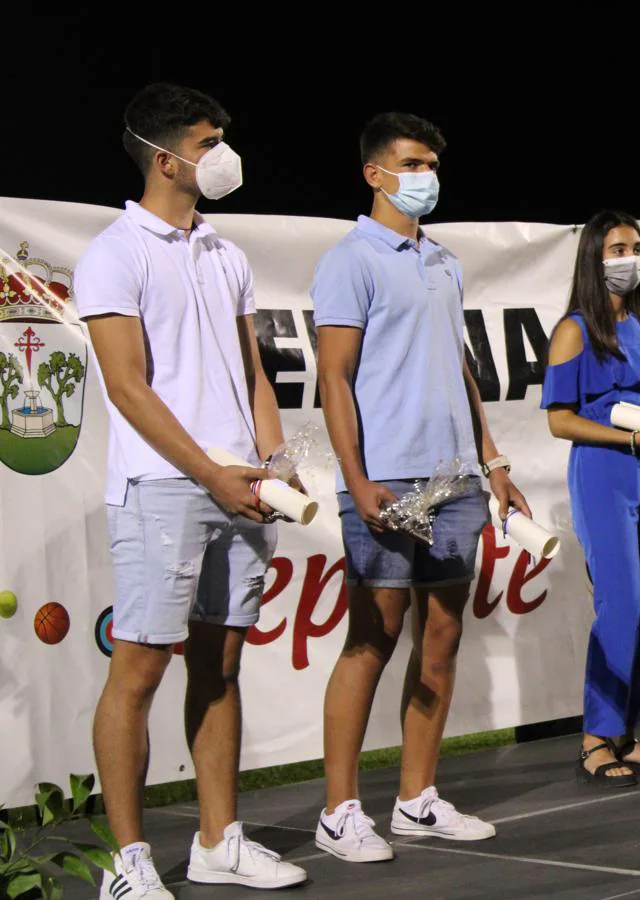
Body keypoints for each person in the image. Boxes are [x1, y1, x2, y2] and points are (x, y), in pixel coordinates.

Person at [78, 82, 308, 899]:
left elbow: (252, 370)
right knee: (138, 670)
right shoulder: (115, 251)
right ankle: (128, 864)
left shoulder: (226, 252)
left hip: (242, 487)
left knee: (220, 663)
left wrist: (273, 460)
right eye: (211, 143)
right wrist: (209, 469)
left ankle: (220, 841)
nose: (224, 156)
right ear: (167, 157)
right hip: (164, 487)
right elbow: (128, 387)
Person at [311, 112, 530, 860]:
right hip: (386, 478)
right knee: (370, 639)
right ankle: (340, 811)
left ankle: (417, 799)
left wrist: (493, 461)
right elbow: (333, 376)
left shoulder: (442, 260)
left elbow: (460, 367)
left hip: (455, 477)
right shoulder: (350, 259)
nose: (425, 175)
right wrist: (356, 477)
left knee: (441, 635)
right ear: (374, 173)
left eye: (432, 162)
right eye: (411, 162)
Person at [541, 209, 640, 787]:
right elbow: (560, 421)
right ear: (593, 259)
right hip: (604, 471)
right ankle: (596, 738)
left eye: (634, 247)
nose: (628, 258)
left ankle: (625, 732)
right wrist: (628, 434)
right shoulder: (574, 329)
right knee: (619, 606)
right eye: (615, 248)